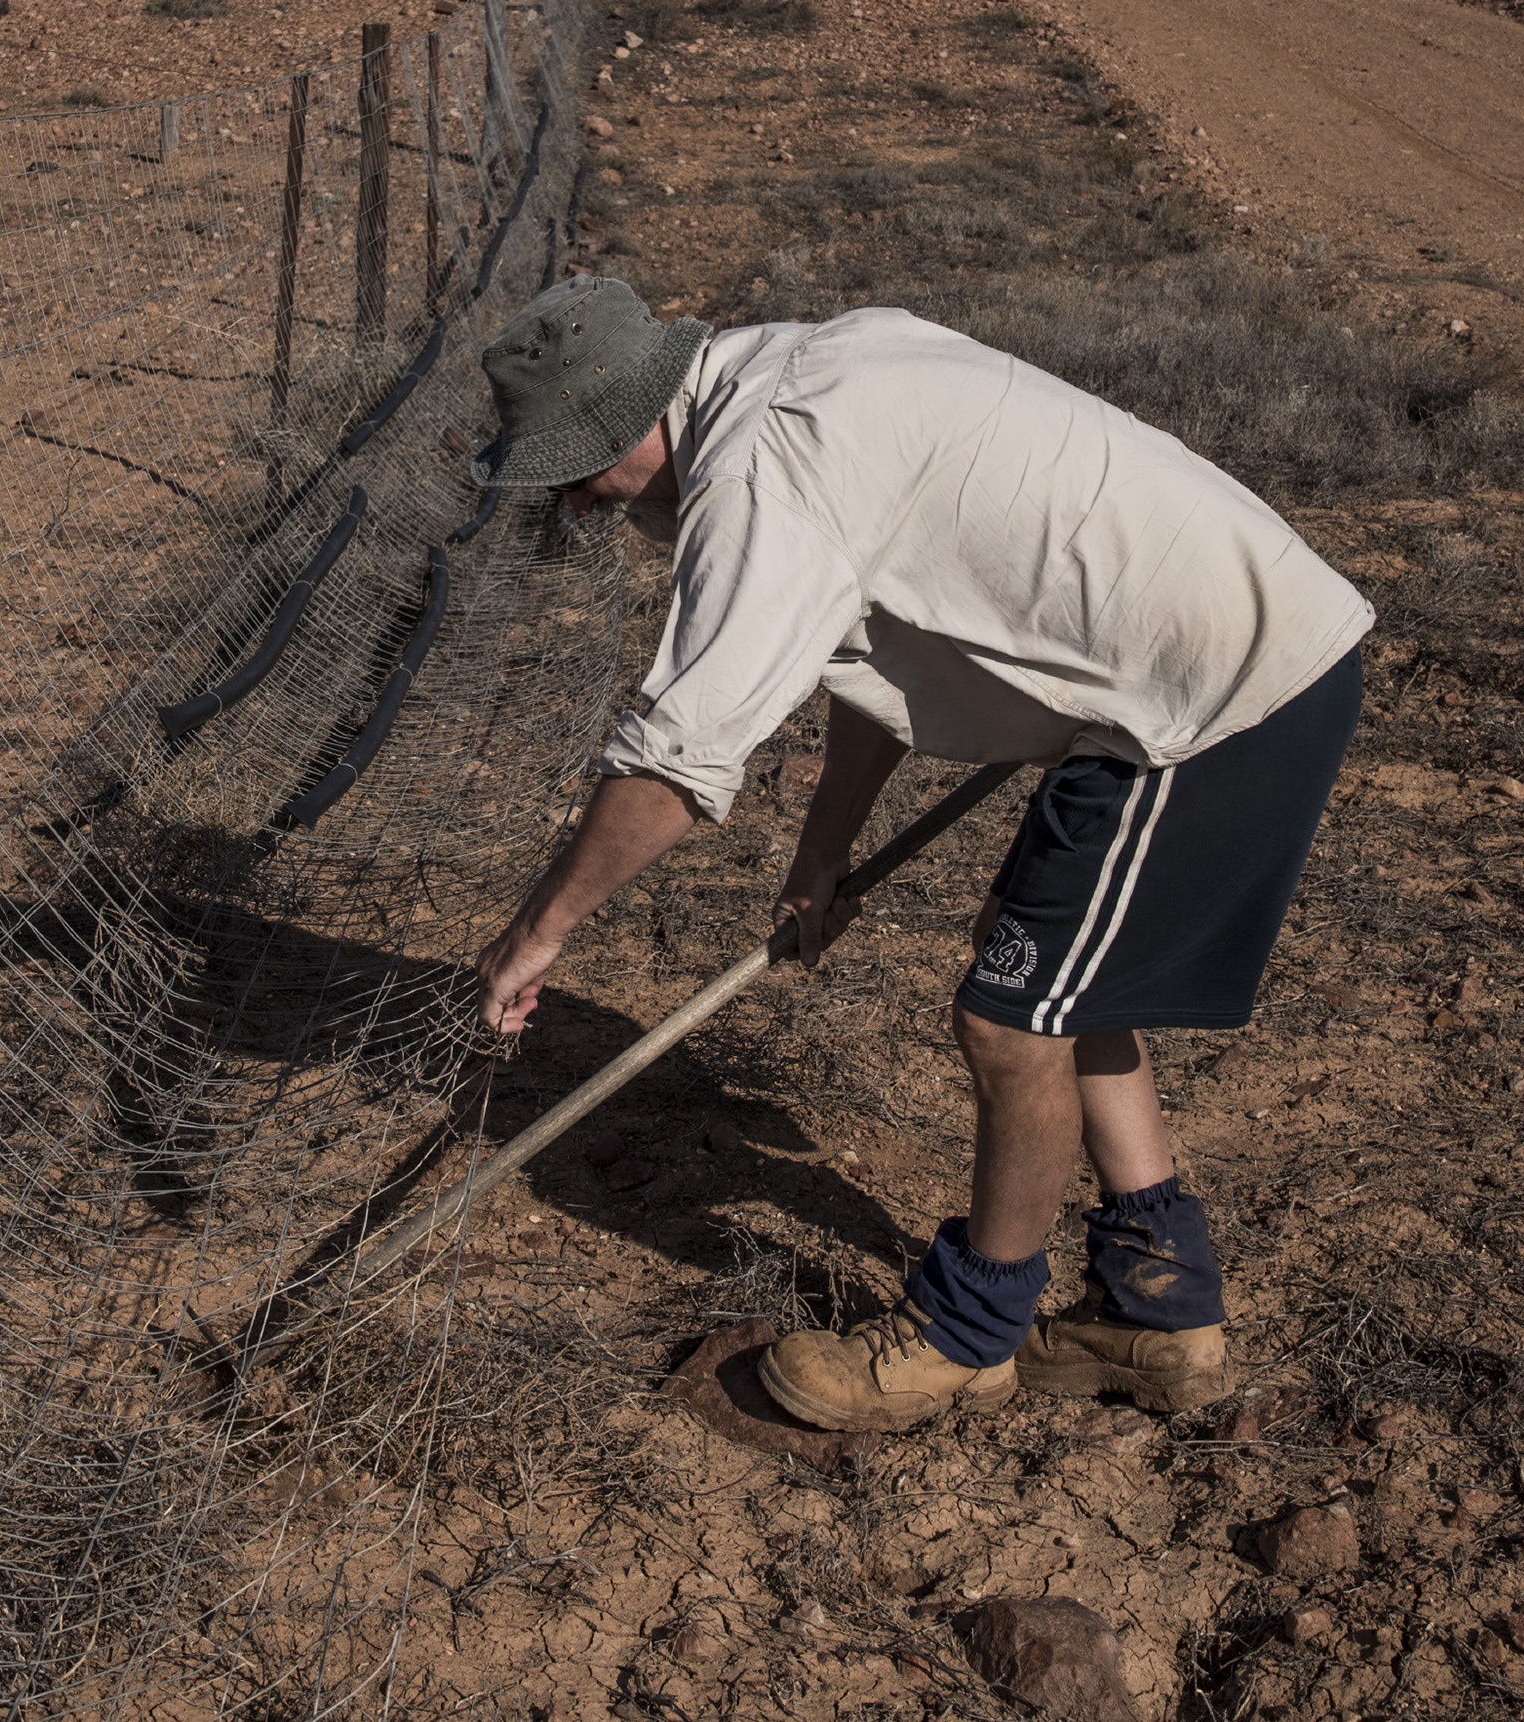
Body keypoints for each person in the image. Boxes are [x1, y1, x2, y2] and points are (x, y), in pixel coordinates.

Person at [467, 276, 1371, 1435]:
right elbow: (877, 644)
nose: (581, 506)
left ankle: (964, 1338)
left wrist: (536, 932)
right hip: (1189, 667)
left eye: (578, 474)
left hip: (1226, 691)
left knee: (1011, 1020)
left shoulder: (760, 467)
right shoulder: (788, 370)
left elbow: (680, 760)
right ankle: (1162, 1312)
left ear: (622, 419)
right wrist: (824, 849)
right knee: (1052, 979)